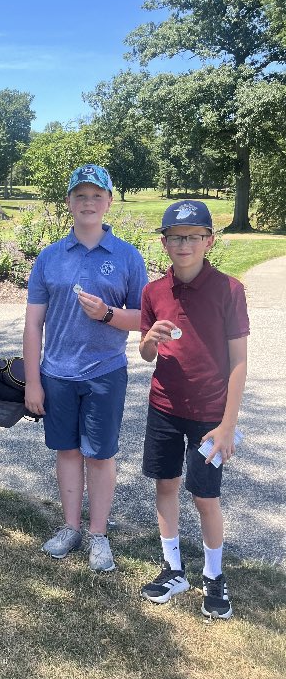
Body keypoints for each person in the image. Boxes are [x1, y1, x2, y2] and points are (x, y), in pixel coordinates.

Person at [23, 163, 148, 571]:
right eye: (81, 195)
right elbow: (33, 322)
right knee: (67, 452)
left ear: (109, 202)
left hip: (105, 372)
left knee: (100, 455)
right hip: (56, 373)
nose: (89, 202)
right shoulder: (49, 258)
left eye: (97, 195)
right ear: (69, 203)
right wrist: (32, 381)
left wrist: (109, 314)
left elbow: (145, 319)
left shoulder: (128, 257)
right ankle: (70, 527)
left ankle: (98, 535)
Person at [139, 199, 249, 619]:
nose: (183, 244)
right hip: (164, 406)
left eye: (193, 237)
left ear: (209, 241)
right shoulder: (153, 291)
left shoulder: (229, 290)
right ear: (164, 243)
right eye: (174, 237)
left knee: (205, 496)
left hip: (210, 415)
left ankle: (214, 576)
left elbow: (239, 361)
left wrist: (227, 425)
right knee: (165, 485)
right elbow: (147, 355)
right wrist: (150, 337)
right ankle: (173, 568)